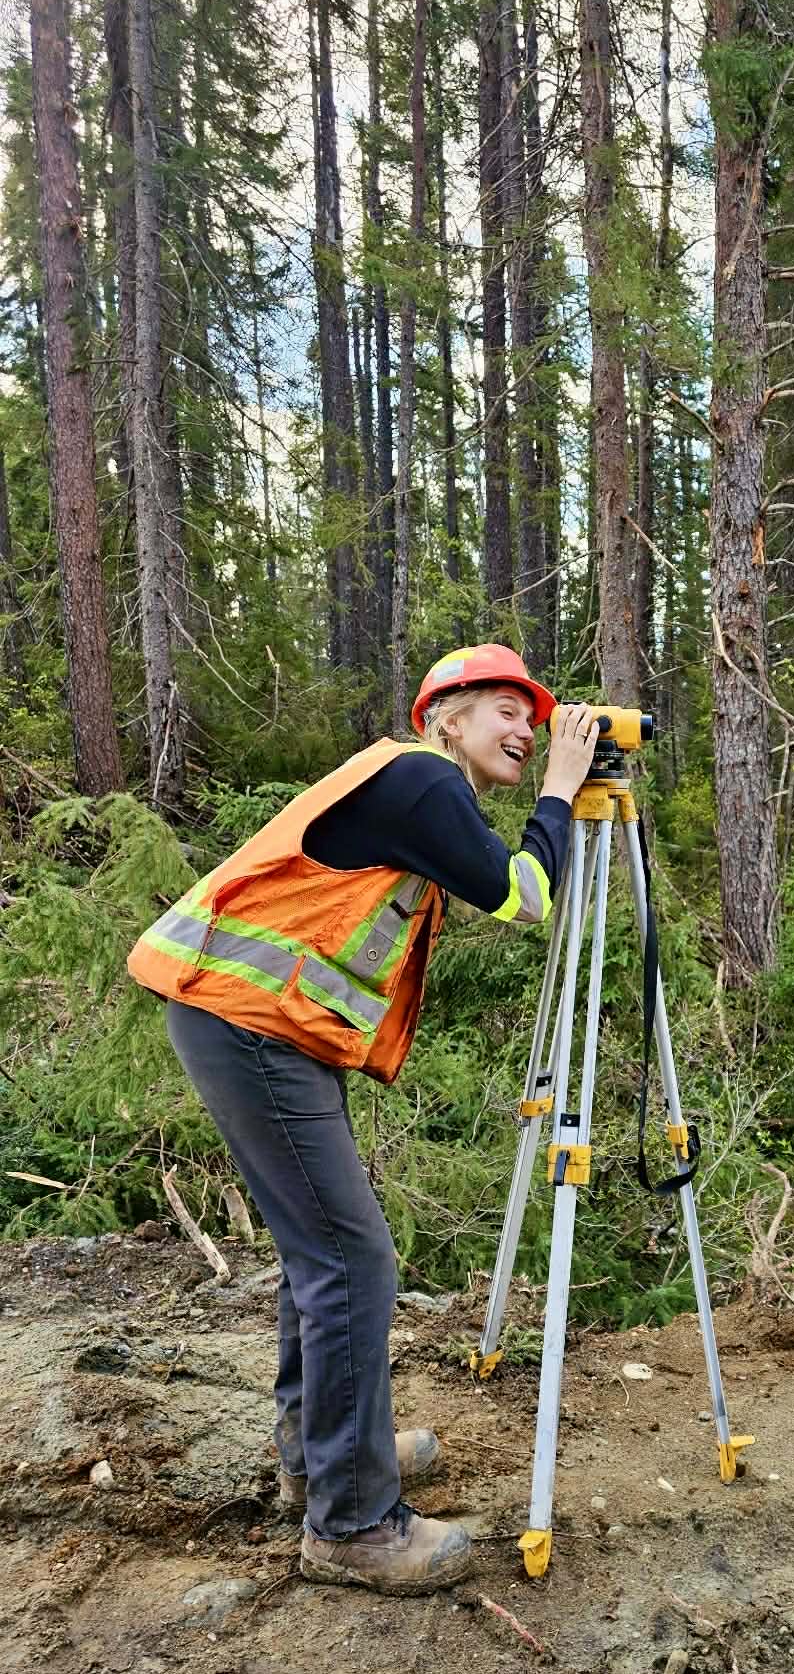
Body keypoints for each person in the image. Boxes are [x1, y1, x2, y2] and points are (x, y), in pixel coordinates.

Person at [127, 647, 599, 1595]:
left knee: (324, 1256)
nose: (524, 730)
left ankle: (323, 1455)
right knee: (352, 1258)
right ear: (446, 719)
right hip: (249, 1024)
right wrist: (559, 791)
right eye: (505, 710)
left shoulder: (414, 785)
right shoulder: (423, 780)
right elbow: (524, 895)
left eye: (535, 722)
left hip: (263, 1025)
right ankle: (352, 1523)